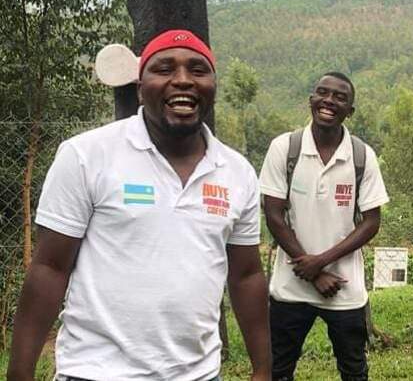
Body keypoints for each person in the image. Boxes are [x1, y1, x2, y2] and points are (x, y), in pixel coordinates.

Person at [6, 29, 271, 381]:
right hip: (95, 372)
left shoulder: (237, 172)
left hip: (200, 375)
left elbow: (246, 274)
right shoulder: (87, 155)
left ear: (213, 85)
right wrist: (19, 375)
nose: (182, 80)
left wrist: (263, 369)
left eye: (197, 69)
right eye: (164, 69)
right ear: (140, 87)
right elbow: (50, 269)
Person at [259, 72, 389, 381]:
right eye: (322, 93)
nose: (329, 101)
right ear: (311, 100)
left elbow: (371, 222)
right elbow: (274, 214)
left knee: (354, 371)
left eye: (340, 97)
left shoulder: (361, 156)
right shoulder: (284, 148)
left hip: (344, 290)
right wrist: (315, 271)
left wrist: (320, 262)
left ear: (350, 111)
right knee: (278, 369)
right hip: (290, 289)